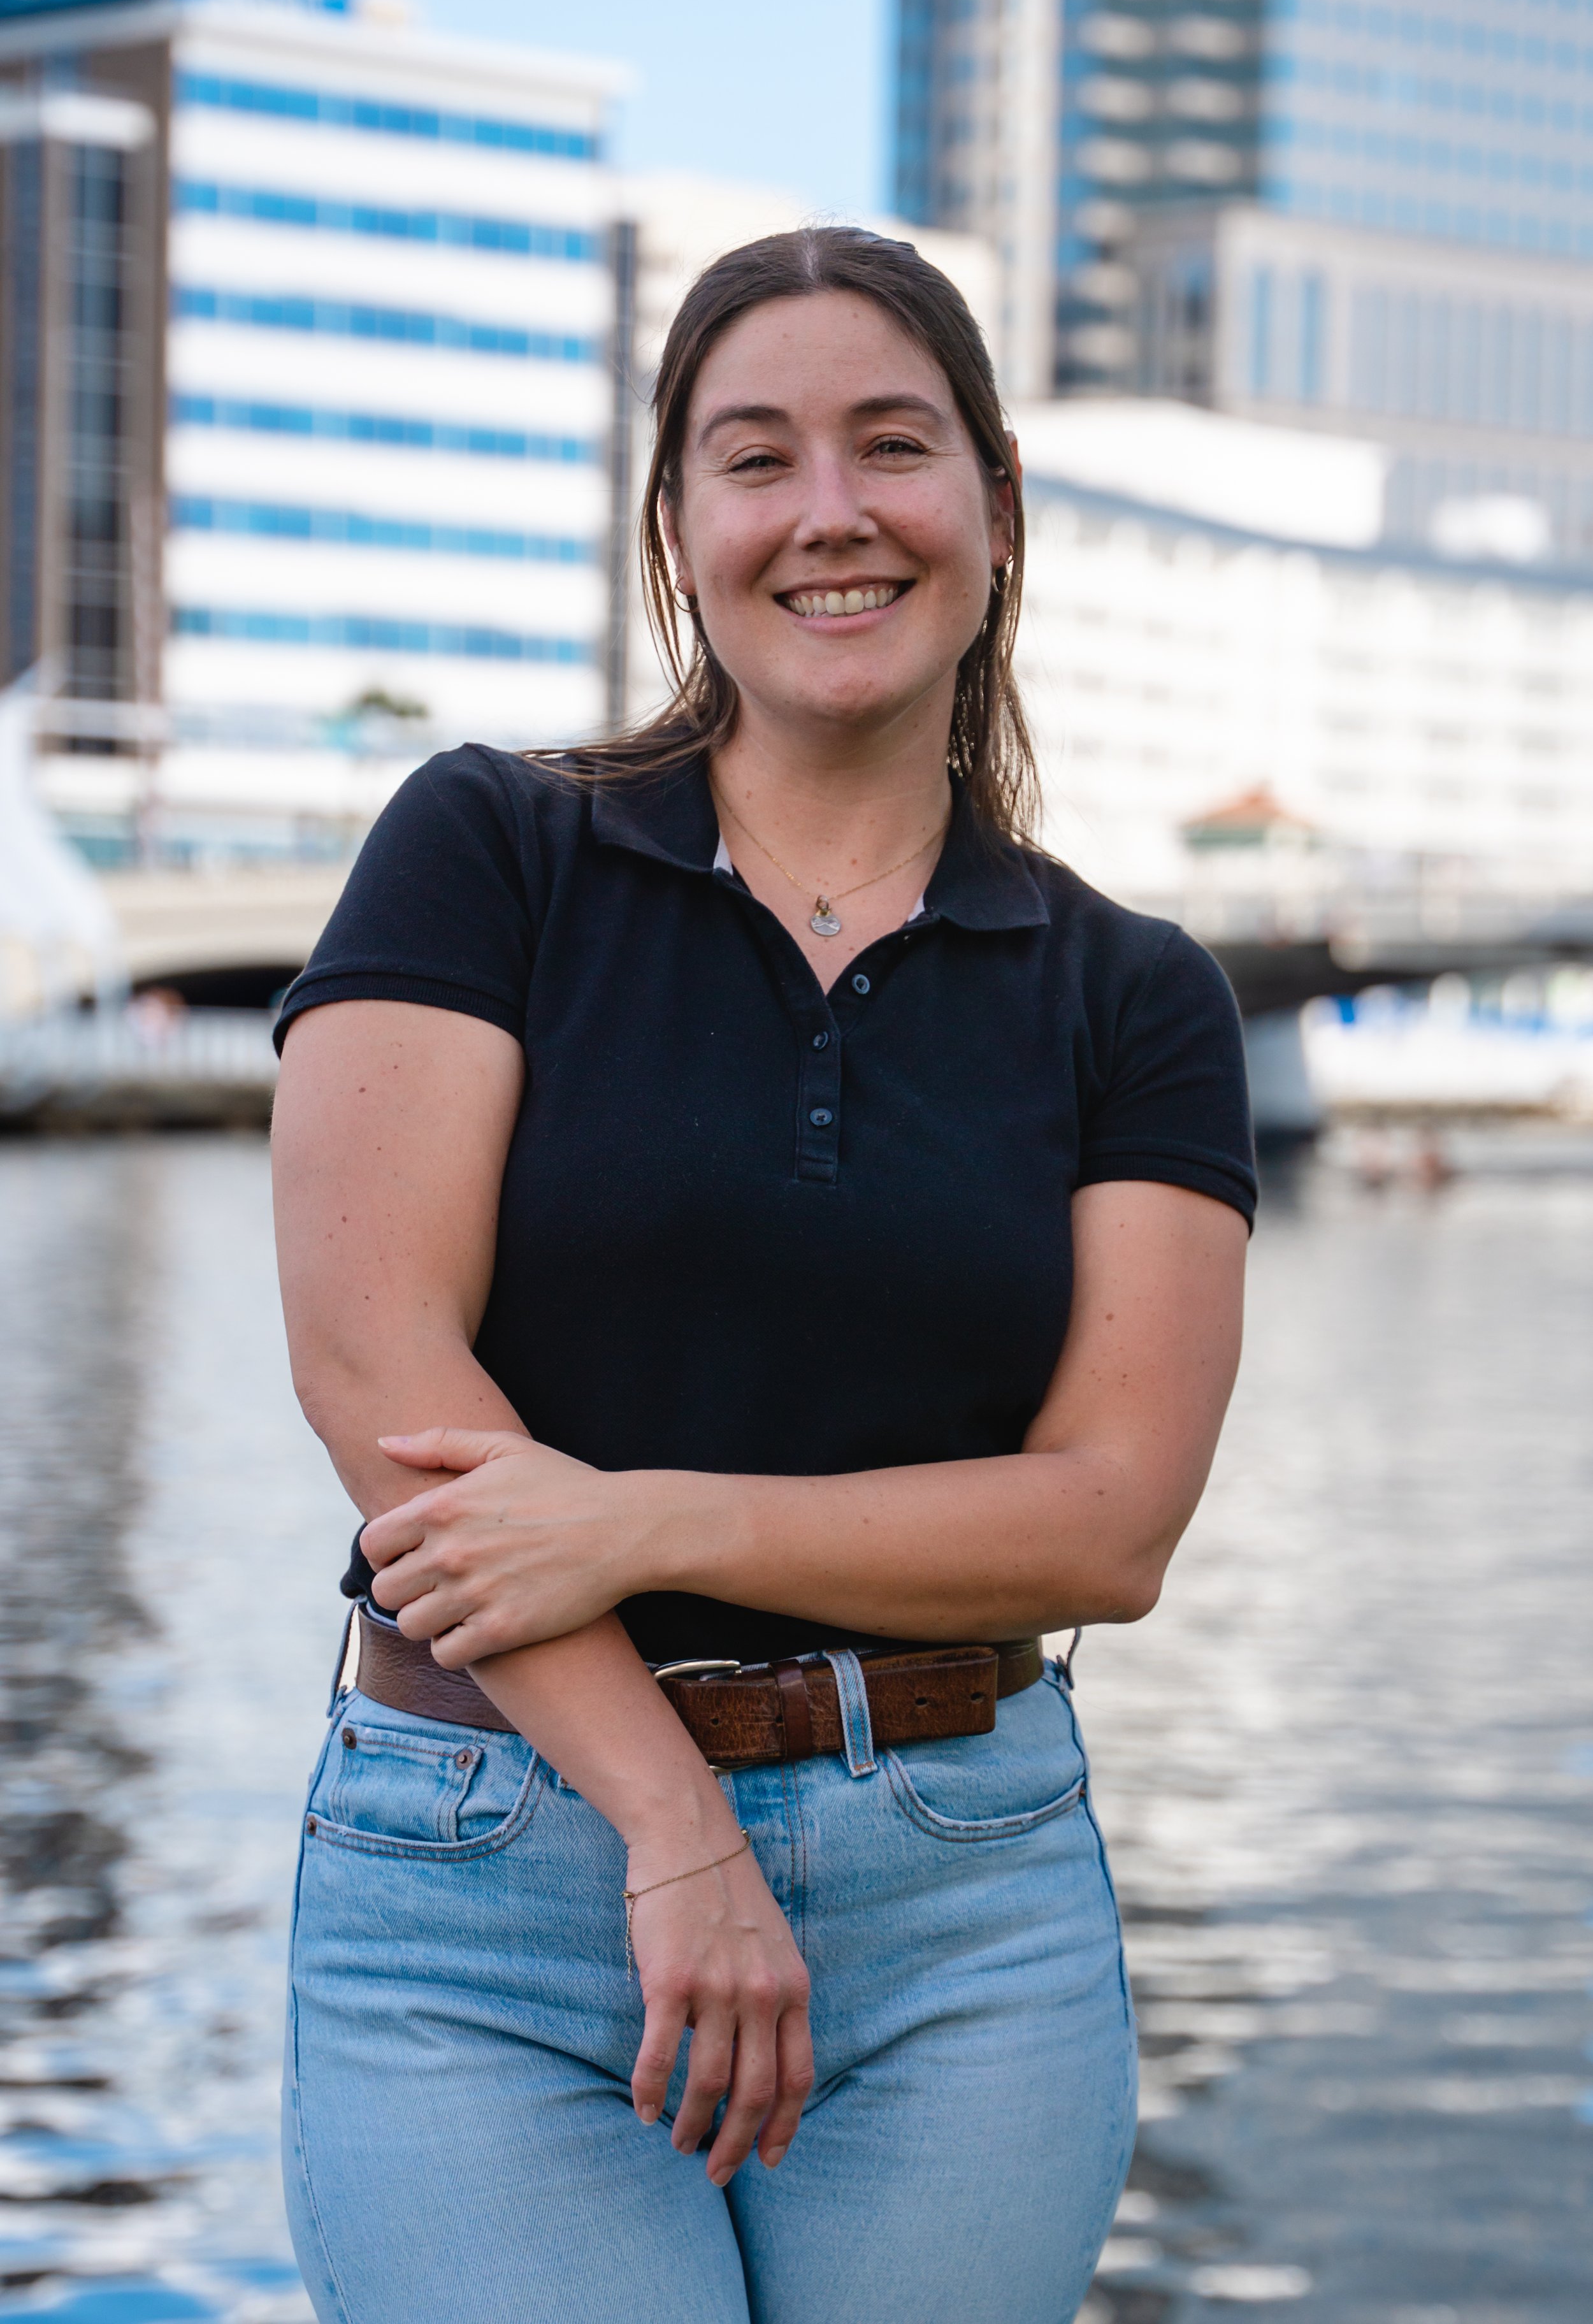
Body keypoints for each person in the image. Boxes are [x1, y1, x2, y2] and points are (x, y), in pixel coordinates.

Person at [270, 226, 1254, 2324]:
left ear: (996, 505)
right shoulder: (490, 847)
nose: (830, 511)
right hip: (490, 1875)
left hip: (962, 1909)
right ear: (677, 527)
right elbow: (377, 1370)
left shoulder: (1131, 994)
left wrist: (641, 1520)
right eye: (754, 457)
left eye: (892, 447)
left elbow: (1109, 1520)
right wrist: (670, 1824)